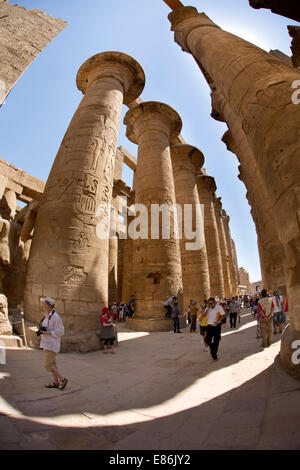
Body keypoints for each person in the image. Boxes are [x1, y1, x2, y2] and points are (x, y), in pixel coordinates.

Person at [39, 297, 68, 390]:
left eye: (44, 304)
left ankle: (62, 379)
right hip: (46, 343)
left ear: (49, 306)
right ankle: (55, 382)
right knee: (53, 364)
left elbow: (61, 331)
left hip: (52, 344)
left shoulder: (56, 317)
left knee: (47, 365)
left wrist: (48, 333)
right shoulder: (47, 315)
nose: (43, 306)